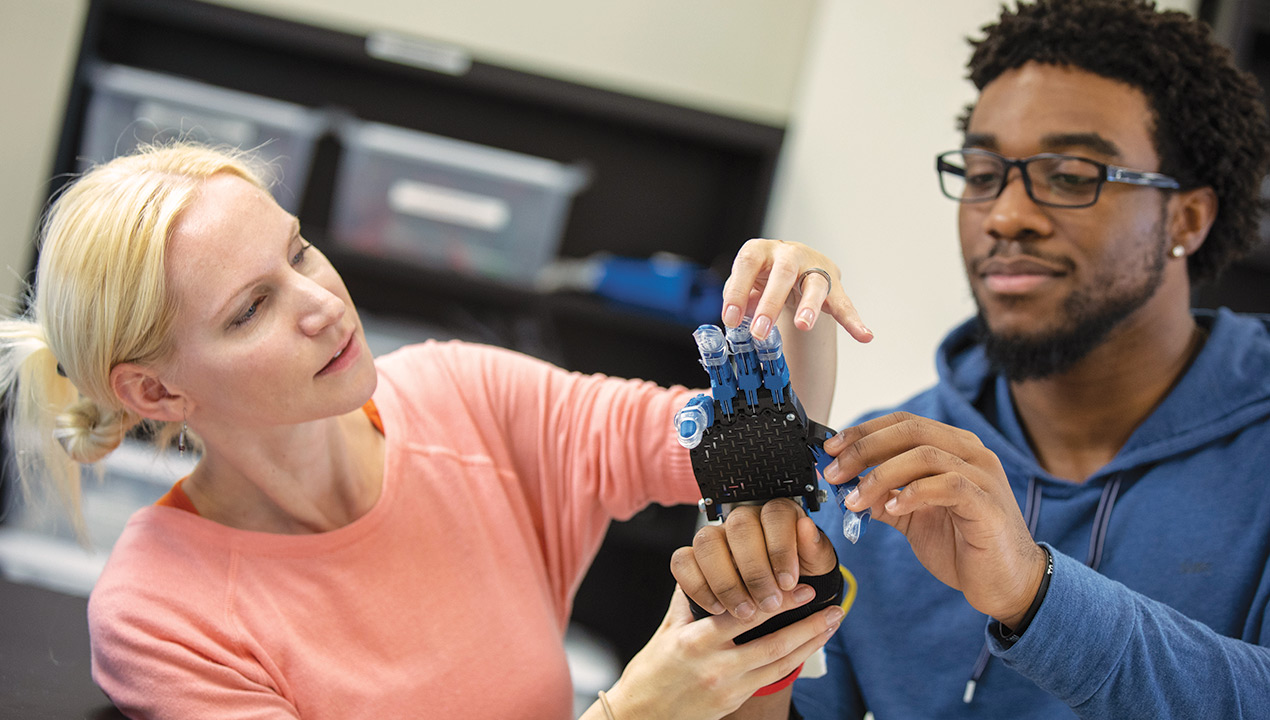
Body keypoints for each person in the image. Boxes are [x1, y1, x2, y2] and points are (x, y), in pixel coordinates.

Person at [0, 141, 857, 719]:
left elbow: (766, 450)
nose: (322, 303)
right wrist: (636, 708)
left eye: (297, 254)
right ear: (155, 389)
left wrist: (795, 312)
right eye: (252, 308)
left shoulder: (465, 395)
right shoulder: (160, 611)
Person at [671, 0, 1270, 717]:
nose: (1006, 214)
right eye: (984, 172)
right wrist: (753, 617)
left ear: (1188, 218)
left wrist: (1036, 596)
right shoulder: (881, 476)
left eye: (1072, 174)